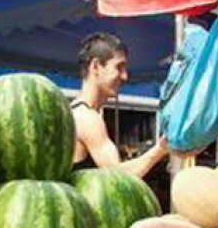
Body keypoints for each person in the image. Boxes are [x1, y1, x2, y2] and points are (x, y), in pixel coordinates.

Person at [71, 32, 168, 177]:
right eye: (119, 67)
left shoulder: (78, 112)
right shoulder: (87, 119)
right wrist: (162, 148)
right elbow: (118, 178)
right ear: (96, 66)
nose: (125, 76)